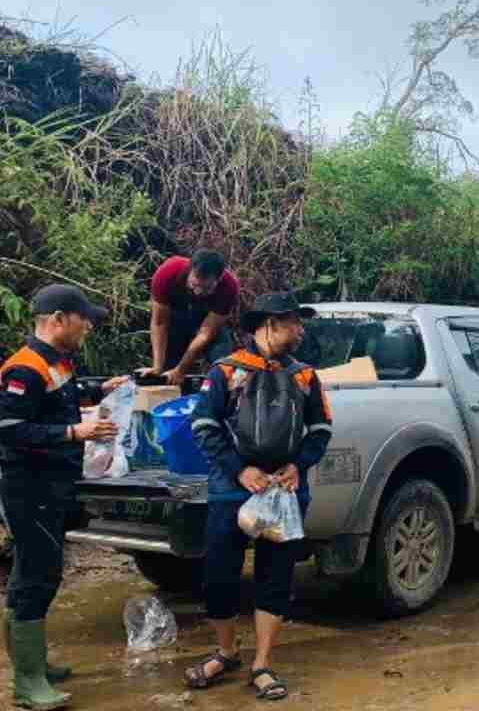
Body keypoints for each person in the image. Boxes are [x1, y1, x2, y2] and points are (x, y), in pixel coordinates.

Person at [186, 292, 333, 701]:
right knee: (219, 573)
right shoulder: (226, 371)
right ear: (266, 324)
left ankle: (262, 664)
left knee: (276, 576)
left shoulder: (305, 376)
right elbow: (203, 426)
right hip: (231, 490)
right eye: (291, 322)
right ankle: (226, 652)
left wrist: (297, 465)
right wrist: (240, 469)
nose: (299, 330)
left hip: (284, 492)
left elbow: (321, 429)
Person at [0, 285, 127, 710]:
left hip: (51, 487)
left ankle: (31, 663)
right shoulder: (25, 368)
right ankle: (28, 682)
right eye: (82, 318)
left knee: (35, 572)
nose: (88, 325)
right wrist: (75, 433)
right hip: (29, 488)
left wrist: (98, 391)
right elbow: (10, 430)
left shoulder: (58, 363)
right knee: (37, 576)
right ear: (58, 319)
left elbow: (60, 401)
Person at [145, 250, 241, 386]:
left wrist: (181, 370)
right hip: (176, 317)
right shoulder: (168, 272)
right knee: (166, 370)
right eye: (194, 285)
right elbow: (160, 323)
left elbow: (205, 334)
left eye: (206, 288)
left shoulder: (229, 287)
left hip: (207, 320)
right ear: (189, 270)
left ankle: (220, 393)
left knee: (223, 362)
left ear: (219, 280)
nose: (198, 292)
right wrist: (157, 367)